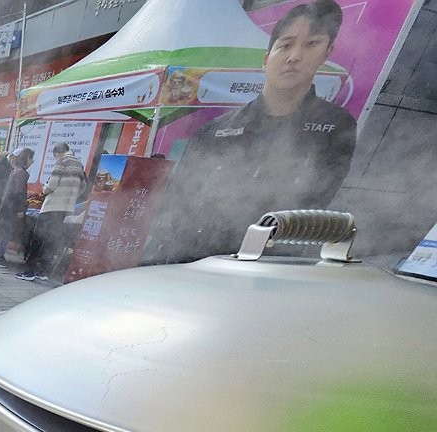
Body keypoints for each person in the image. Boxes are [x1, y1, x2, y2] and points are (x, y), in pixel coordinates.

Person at [148, 0, 356, 263]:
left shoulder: (335, 126)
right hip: (194, 265)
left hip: (271, 271)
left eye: (311, 44)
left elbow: (314, 203)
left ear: (328, 52)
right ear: (266, 60)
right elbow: (175, 207)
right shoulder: (215, 131)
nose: (294, 57)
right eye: (286, 45)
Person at [18, 142, 87, 281]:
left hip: (52, 206)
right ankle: (42, 272)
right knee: (51, 240)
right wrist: (71, 197)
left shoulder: (62, 162)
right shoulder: (79, 165)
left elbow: (52, 185)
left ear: (57, 153)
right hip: (65, 209)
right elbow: (83, 187)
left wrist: (45, 189)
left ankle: (29, 272)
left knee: (38, 238)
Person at [0, 147, 34, 269]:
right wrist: (20, 209)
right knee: (6, 233)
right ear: (26, 159)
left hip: (7, 206)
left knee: (5, 232)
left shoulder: (16, 171)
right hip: (11, 208)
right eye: (31, 158)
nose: (32, 161)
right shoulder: (21, 174)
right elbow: (18, 193)